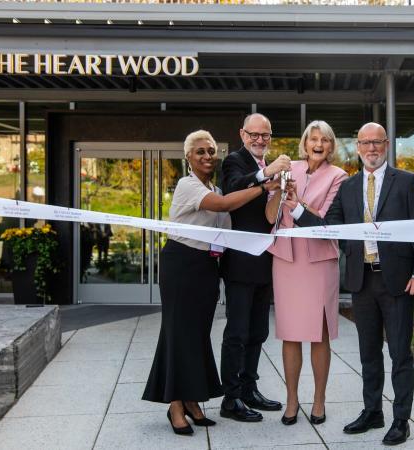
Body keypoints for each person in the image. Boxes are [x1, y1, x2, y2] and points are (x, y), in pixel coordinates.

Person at [292, 122, 414, 446]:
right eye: (365, 143)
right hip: (362, 280)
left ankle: (400, 420)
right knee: (368, 354)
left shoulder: (407, 182)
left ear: (386, 145)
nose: (371, 148)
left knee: (399, 353)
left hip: (397, 281)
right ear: (357, 147)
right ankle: (373, 412)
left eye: (377, 142)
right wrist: (296, 208)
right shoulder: (350, 187)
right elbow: (330, 227)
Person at [142, 130, 278, 436]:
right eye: (200, 151)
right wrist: (263, 185)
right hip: (181, 264)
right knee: (178, 334)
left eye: (211, 151)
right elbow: (224, 205)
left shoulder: (213, 186)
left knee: (198, 335)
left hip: (206, 267)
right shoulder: (187, 185)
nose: (207, 156)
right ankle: (175, 404)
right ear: (188, 157)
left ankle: (192, 400)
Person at [265, 120, 347, 425]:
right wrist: (277, 190)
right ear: (305, 142)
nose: (318, 144)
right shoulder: (289, 168)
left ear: (330, 146)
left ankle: (319, 401)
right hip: (286, 260)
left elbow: (326, 220)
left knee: (319, 334)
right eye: (313, 138)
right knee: (290, 333)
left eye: (325, 139)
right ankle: (291, 401)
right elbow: (271, 217)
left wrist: (297, 202)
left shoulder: (339, 177)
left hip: (319, 261)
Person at [219, 113, 290, 422]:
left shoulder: (267, 167)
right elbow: (233, 188)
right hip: (239, 263)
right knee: (237, 331)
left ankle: (249, 388)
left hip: (265, 261)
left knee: (258, 331)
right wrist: (266, 176)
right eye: (254, 134)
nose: (260, 140)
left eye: (265, 135)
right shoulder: (234, 161)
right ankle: (230, 398)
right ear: (242, 134)